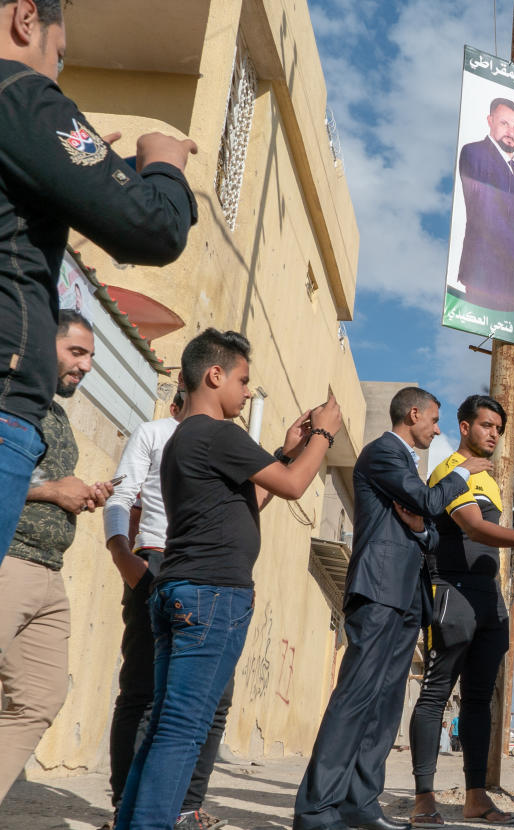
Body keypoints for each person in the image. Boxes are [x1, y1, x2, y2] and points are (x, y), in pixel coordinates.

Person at [114, 329, 340, 830]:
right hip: (212, 595)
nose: (246, 391)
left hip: (180, 589)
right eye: (243, 380)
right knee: (181, 730)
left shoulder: (183, 441)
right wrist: (324, 433)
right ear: (214, 375)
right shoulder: (219, 435)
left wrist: (285, 451)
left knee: (162, 729)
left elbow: (253, 499)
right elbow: (296, 485)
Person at [0, 0, 197, 565]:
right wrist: (164, 165)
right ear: (25, 18)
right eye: (58, 58)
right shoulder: (22, 95)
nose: (56, 74)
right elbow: (153, 228)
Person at [295, 387, 492, 830]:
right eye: (435, 420)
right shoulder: (383, 452)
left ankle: (360, 804)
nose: (437, 429)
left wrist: (424, 527)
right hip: (379, 590)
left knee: (384, 707)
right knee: (354, 700)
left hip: (408, 597)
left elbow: (431, 531)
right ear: (414, 413)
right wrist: (462, 468)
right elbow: (427, 504)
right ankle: (315, 810)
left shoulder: (408, 465)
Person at [410, 395, 514, 826]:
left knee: (478, 701)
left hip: (487, 598)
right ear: (464, 425)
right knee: (436, 693)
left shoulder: (490, 478)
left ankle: (476, 798)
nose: (492, 433)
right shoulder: (451, 470)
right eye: (486, 425)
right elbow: (473, 526)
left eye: (498, 428)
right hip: (451, 591)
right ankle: (423, 800)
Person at [103, 389, 234, 830]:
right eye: (242, 381)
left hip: (209, 572)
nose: (246, 393)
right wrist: (123, 554)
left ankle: (186, 807)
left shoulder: (227, 442)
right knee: (141, 691)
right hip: (156, 562)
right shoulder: (156, 432)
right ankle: (127, 805)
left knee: (214, 700)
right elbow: (122, 497)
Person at [0, 310, 112, 803]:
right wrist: (52, 491)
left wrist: (80, 493)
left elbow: (48, 485)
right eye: (77, 352)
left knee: (39, 699)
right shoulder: (9, 397)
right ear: (46, 345)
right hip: (10, 561)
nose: (86, 366)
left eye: (90, 356)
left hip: (49, 574)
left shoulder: (59, 416)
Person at [456, 97, 514, 312]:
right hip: (484, 278)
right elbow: (486, 214)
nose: (510, 132)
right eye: (504, 124)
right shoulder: (474, 153)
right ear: (490, 121)